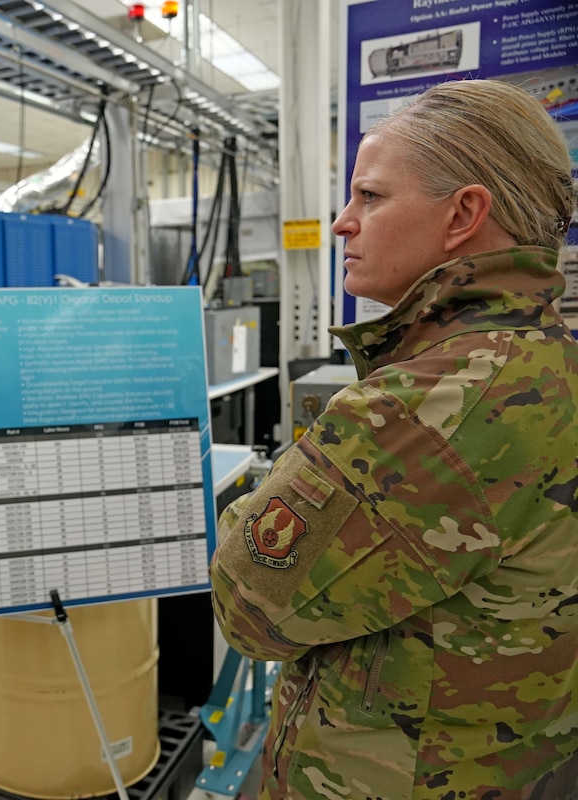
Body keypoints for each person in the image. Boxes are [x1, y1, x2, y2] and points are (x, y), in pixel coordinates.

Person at [209, 79, 578, 799]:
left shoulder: (421, 411)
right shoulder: (552, 361)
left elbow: (245, 606)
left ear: (464, 214)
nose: (343, 223)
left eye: (370, 197)